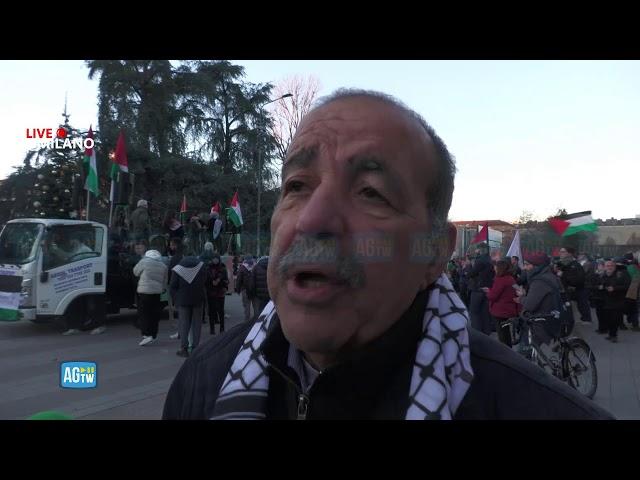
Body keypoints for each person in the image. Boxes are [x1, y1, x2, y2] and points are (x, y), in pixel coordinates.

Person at [163, 89, 612, 420]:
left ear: (435, 251)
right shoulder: (202, 379)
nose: (311, 220)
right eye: (296, 186)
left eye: (371, 192)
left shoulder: (536, 409)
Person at [170, 254, 207, 357]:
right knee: (197, 324)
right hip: (198, 298)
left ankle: (184, 348)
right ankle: (195, 348)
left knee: (184, 324)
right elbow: (205, 281)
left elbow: (172, 286)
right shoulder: (202, 267)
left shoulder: (177, 269)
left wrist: (176, 300)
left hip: (183, 300)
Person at [133, 249, 168, 346]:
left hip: (144, 292)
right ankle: (153, 334)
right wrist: (162, 289)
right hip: (157, 292)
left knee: (144, 313)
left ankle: (146, 334)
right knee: (154, 314)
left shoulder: (144, 261)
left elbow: (135, 272)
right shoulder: (163, 266)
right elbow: (165, 281)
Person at [481, 259, 520, 347]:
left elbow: (493, 296)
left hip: (500, 311)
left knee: (502, 336)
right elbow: (517, 290)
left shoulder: (500, 280)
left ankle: (505, 355)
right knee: (506, 334)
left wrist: (488, 292)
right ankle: (509, 351)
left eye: (496, 267)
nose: (494, 268)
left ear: (500, 268)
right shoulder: (510, 278)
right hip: (509, 310)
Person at [598, 259, 631, 343]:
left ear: (615, 266)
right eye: (607, 266)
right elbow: (598, 284)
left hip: (618, 300)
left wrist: (615, 288)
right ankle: (610, 334)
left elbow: (627, 285)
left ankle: (614, 335)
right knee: (607, 319)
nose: (609, 267)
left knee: (615, 319)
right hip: (606, 301)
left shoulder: (621, 274)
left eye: (611, 266)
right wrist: (600, 287)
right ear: (605, 267)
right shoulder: (603, 275)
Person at [557, 247, 591, 325]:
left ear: (569, 254)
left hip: (578, 288)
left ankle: (586, 319)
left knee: (582, 304)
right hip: (567, 289)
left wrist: (563, 275)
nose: (560, 253)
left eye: (563, 252)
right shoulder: (563, 263)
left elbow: (579, 279)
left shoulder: (575, 264)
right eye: (560, 251)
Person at [467, 243, 495, 335]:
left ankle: (477, 332)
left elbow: (471, 274)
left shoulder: (479, 260)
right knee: (485, 312)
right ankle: (487, 331)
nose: (476, 251)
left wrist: (469, 266)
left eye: (477, 249)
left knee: (474, 312)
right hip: (487, 288)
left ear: (480, 250)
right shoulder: (489, 259)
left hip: (478, 289)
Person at [205, 253, 229, 334]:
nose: (215, 260)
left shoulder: (223, 268)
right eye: (214, 258)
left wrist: (222, 283)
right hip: (211, 292)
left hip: (220, 292)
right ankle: (212, 329)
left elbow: (226, 280)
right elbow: (205, 280)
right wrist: (212, 282)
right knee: (211, 311)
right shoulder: (208, 268)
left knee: (221, 311)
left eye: (217, 258)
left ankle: (222, 328)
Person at [167, 238, 184, 340]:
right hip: (186, 287)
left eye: (171, 245)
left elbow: (171, 273)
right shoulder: (183, 255)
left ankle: (181, 333)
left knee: (181, 312)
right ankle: (182, 332)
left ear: (175, 245)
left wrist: (171, 286)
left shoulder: (175, 258)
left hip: (178, 288)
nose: (170, 247)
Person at [587, 259, 607, 333]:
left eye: (601, 266)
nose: (600, 267)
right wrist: (597, 287)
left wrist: (603, 287)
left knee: (604, 314)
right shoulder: (595, 275)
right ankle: (601, 328)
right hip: (597, 296)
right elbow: (590, 285)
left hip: (605, 297)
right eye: (599, 266)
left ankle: (604, 328)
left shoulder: (606, 275)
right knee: (599, 313)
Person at [235, 255, 256, 322]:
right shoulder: (255, 266)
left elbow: (239, 279)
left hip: (245, 289)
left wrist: (238, 289)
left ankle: (247, 321)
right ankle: (256, 321)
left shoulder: (242, 267)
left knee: (246, 306)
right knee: (256, 307)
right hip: (254, 289)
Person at [250, 255, 270, 321]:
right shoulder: (272, 267)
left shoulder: (256, 267)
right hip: (270, 294)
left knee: (260, 310)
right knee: (269, 310)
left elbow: (252, 282)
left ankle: (260, 323)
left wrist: (253, 293)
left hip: (259, 295)